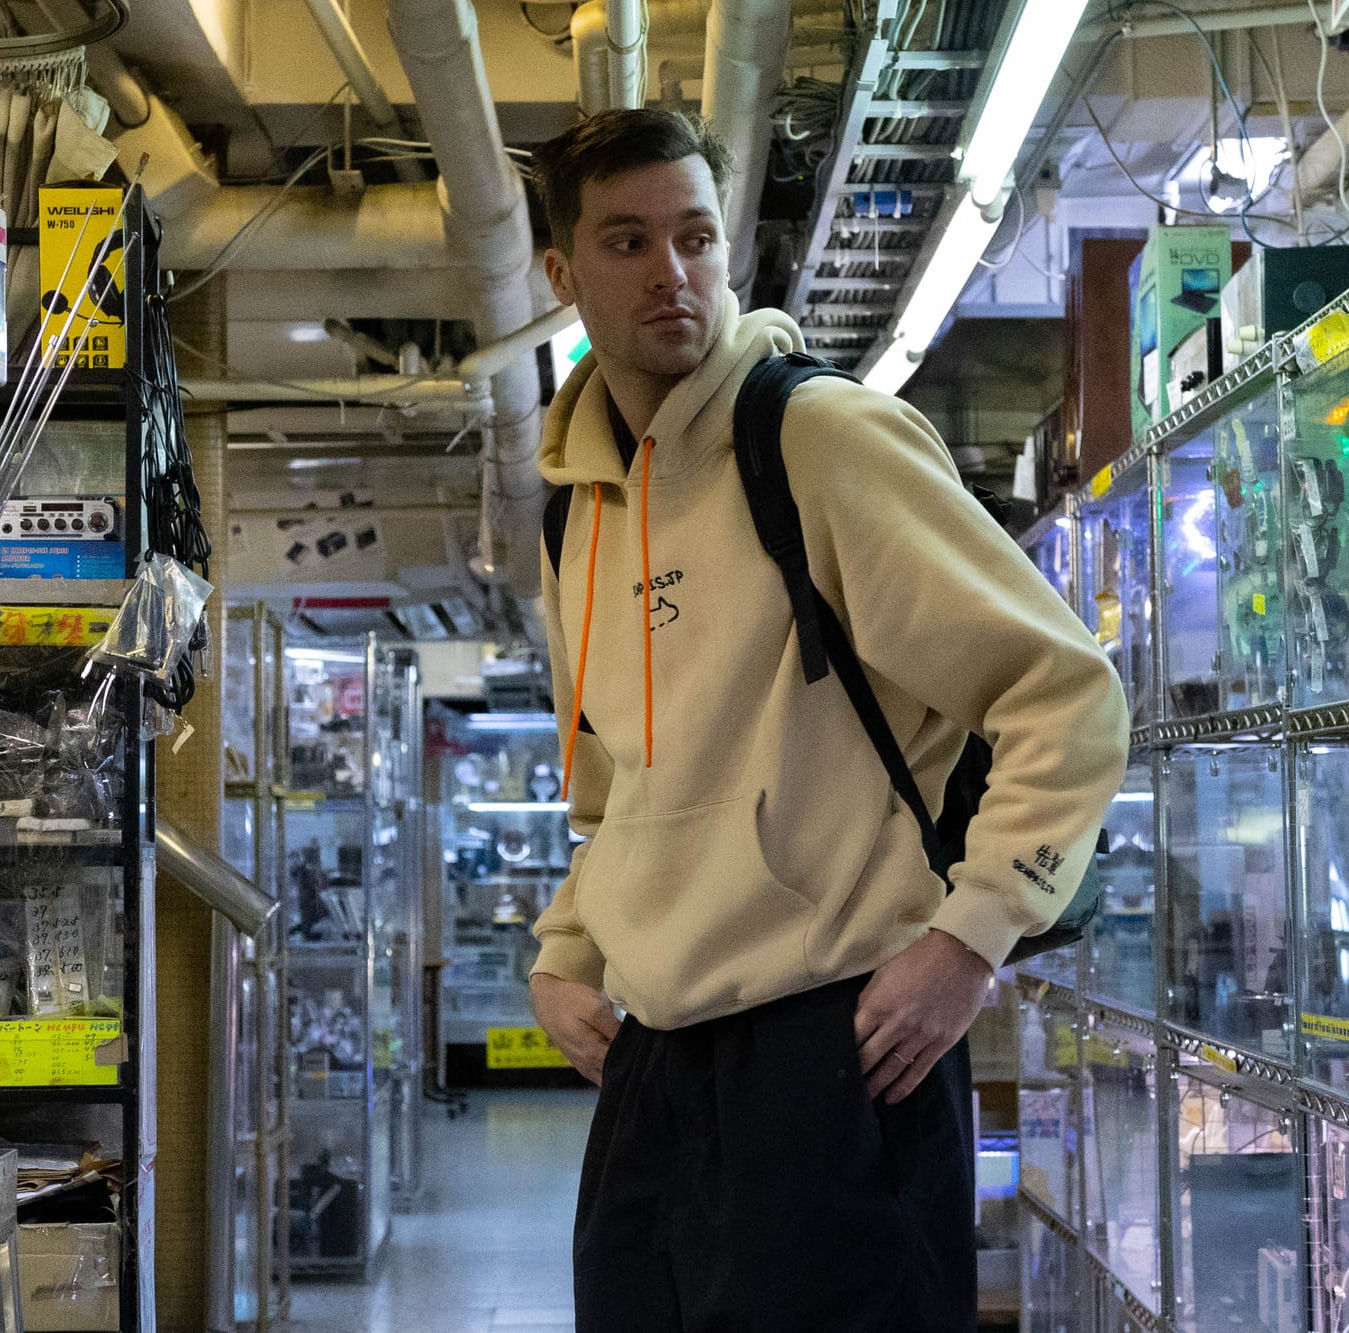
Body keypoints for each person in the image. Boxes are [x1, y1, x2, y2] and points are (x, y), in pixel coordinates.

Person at [525, 107, 1129, 1332]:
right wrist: (562, 953)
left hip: (837, 1050)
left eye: (694, 238)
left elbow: (1062, 693)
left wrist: (972, 938)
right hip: (656, 1068)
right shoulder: (573, 515)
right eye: (628, 243)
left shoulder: (817, 439)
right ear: (559, 274)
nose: (671, 275)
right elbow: (615, 788)